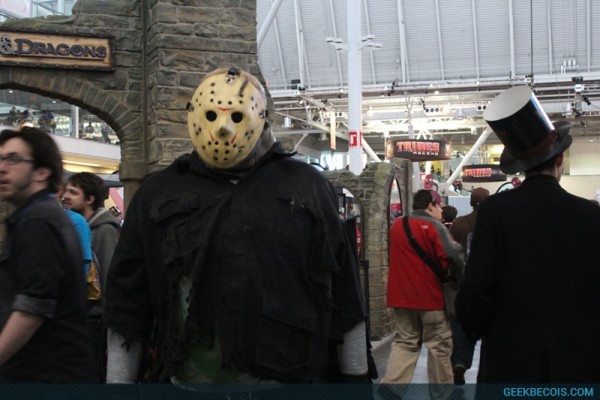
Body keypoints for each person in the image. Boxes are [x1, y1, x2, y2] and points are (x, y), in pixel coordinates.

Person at [104, 67, 371, 384]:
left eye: (236, 117)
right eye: (212, 115)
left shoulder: (308, 188)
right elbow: (128, 303)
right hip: (186, 383)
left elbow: (345, 295)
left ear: (260, 118)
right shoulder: (159, 193)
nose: (223, 129)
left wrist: (356, 379)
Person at [456, 85, 600, 382]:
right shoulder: (590, 215)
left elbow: (476, 291)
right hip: (575, 362)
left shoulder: (495, 212)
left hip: (509, 362)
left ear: (520, 166)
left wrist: (473, 330)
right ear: (559, 161)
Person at [0, 127, 94, 382]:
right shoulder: (40, 216)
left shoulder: (38, 221)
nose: (2, 168)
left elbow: (32, 308)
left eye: (13, 159)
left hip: (45, 375)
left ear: (42, 172)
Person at [380, 189, 464, 392]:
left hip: (400, 297)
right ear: (430, 205)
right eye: (439, 206)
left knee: (405, 342)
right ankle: (442, 394)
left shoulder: (397, 225)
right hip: (430, 297)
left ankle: (392, 386)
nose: (441, 211)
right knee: (438, 346)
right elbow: (453, 255)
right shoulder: (435, 226)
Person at [62, 171, 121, 381]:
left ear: (90, 199)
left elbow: (108, 277)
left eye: (73, 192)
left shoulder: (104, 231)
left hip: (95, 318)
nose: (66, 196)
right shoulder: (80, 226)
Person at [447, 187, 489, 384]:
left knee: (462, 323)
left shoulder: (459, 223)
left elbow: (449, 252)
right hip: (488, 283)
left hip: (462, 283)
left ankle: (460, 361)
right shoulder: (493, 222)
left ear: (471, 202)